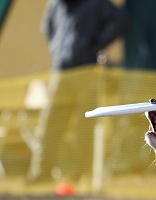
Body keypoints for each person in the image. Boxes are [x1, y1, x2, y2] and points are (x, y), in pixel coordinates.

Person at [31, 0, 129, 182]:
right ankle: (41, 172)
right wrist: (57, 50)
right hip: (60, 72)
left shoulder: (95, 3)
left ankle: (81, 172)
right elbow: (47, 27)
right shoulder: (55, 5)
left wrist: (98, 43)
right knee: (50, 124)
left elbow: (121, 19)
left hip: (86, 72)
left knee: (85, 125)